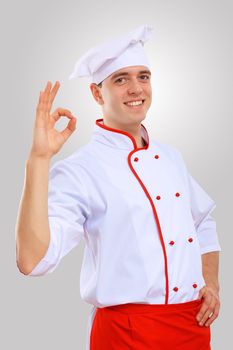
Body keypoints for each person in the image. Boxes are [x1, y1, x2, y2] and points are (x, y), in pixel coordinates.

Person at [15, 25, 221, 350]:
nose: (135, 88)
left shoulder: (170, 157)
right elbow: (33, 261)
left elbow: (203, 223)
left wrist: (210, 282)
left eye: (143, 76)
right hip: (126, 333)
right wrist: (38, 160)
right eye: (120, 79)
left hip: (191, 327)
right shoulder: (81, 170)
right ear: (97, 94)